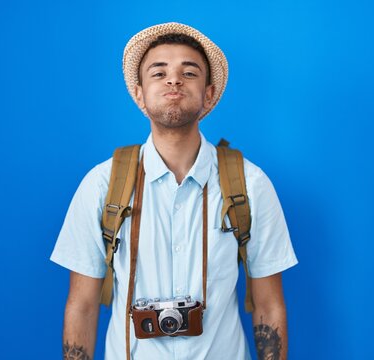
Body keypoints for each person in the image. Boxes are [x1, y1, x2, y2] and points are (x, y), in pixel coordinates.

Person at [51, 22, 298, 360]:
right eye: (159, 72)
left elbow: (269, 306)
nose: (174, 80)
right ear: (139, 93)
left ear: (208, 94)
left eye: (189, 72)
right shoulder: (102, 185)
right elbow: (82, 305)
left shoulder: (250, 185)